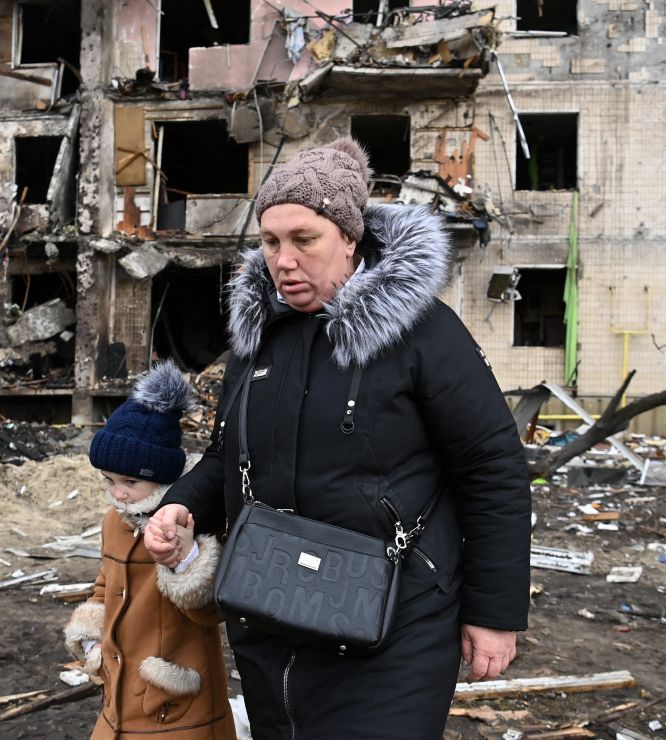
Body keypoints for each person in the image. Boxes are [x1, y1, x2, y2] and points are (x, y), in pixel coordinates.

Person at [146, 138, 532, 739]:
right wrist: (183, 505)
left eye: (305, 240)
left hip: (396, 622)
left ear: (349, 239)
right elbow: (229, 454)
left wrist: (494, 613)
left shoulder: (424, 333)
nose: (284, 260)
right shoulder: (259, 339)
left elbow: (493, 469)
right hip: (271, 609)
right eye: (271, 242)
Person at [64, 361, 236, 740]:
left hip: (174, 701)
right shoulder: (115, 521)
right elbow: (104, 584)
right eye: (109, 480)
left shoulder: (190, 520)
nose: (118, 492)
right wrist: (94, 639)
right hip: (118, 693)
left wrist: (186, 562)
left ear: (164, 476)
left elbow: (212, 611)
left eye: (130, 481)